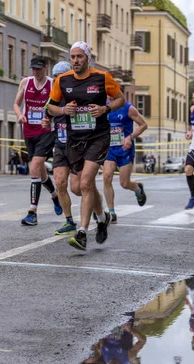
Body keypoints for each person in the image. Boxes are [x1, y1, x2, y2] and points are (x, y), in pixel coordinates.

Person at [48, 41, 125, 251]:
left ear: (87, 58)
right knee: (78, 187)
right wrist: (64, 111)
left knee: (85, 183)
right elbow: (51, 107)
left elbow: (120, 99)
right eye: (72, 57)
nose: (75, 61)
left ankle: (82, 232)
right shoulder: (62, 81)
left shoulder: (102, 77)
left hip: (98, 136)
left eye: (79, 56)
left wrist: (105, 108)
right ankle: (102, 217)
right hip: (75, 139)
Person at [14, 56, 62, 226]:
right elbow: (16, 104)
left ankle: (32, 212)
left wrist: (50, 118)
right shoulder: (25, 83)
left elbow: (57, 106)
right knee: (39, 170)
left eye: (39, 69)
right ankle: (55, 196)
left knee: (34, 168)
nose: (35, 72)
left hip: (46, 131)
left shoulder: (52, 84)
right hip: (28, 131)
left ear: (46, 68)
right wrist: (19, 115)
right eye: (33, 69)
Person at [42, 60, 79, 235]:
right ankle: (69, 220)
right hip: (61, 145)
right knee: (60, 183)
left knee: (79, 188)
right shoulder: (53, 97)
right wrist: (46, 121)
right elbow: (47, 115)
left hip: (79, 145)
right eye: (55, 78)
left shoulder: (78, 93)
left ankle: (97, 209)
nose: (57, 81)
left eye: (61, 77)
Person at [103, 99, 148, 223]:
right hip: (109, 149)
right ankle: (111, 212)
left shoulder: (128, 108)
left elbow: (143, 125)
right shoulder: (102, 106)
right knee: (106, 177)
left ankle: (137, 189)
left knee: (124, 183)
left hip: (125, 149)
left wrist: (130, 137)